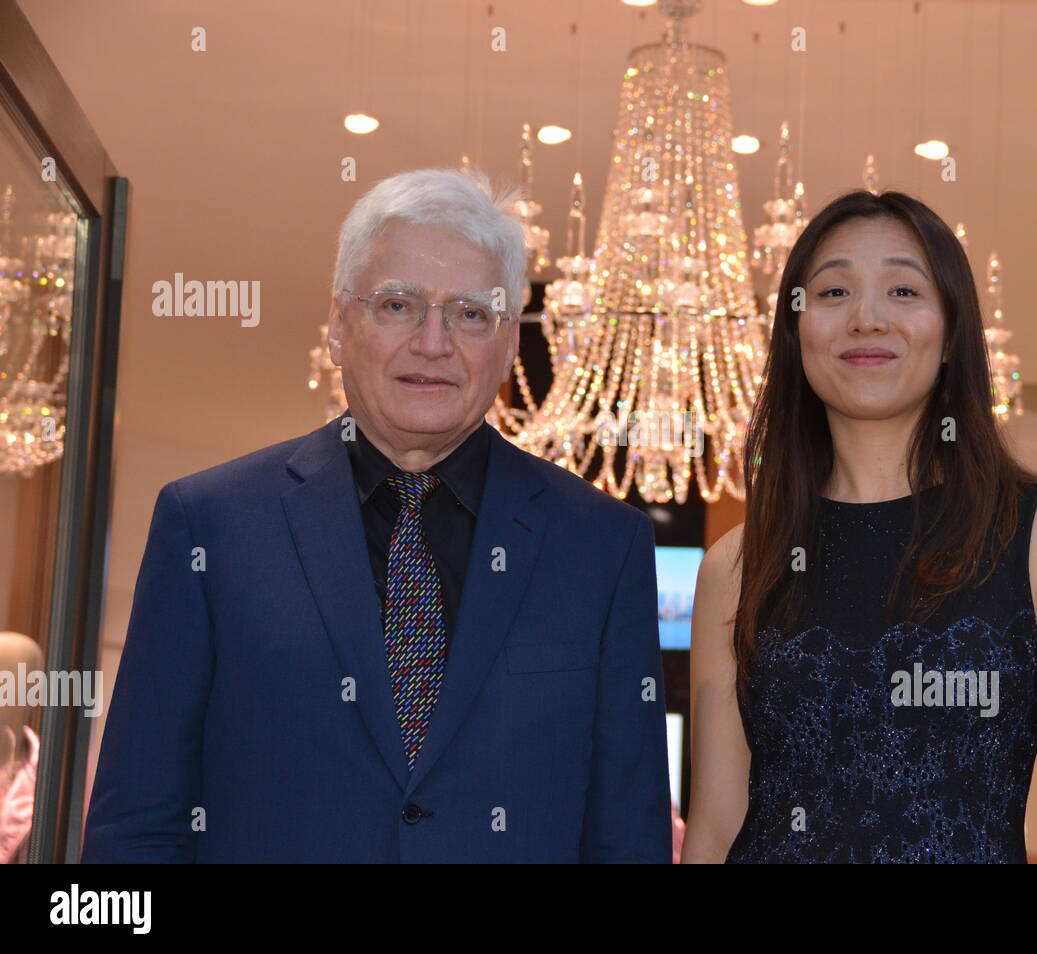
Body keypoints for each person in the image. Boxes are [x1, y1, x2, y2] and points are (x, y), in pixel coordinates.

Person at [82, 168, 671, 863]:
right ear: (338, 326)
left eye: (471, 313)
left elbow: (628, 837)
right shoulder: (209, 526)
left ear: (511, 343)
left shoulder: (604, 547)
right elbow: (138, 826)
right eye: (398, 305)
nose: (433, 342)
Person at [683, 190, 1037, 863]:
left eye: (902, 290)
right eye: (833, 293)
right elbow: (716, 827)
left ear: (951, 332)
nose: (866, 319)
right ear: (796, 329)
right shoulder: (738, 564)